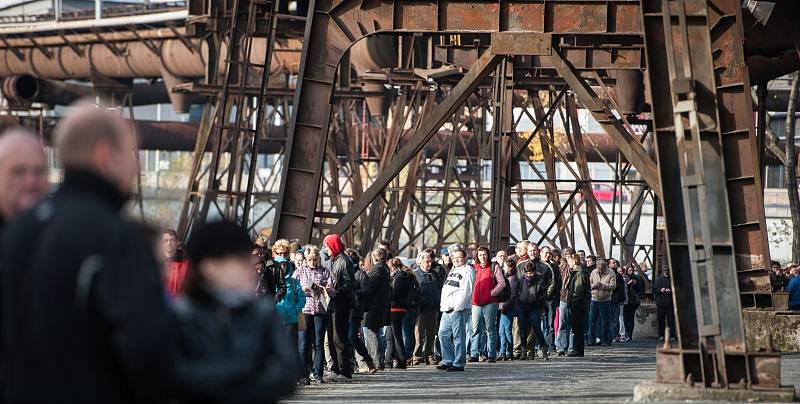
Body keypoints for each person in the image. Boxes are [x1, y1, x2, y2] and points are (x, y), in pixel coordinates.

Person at [2, 105, 174, 402]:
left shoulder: (18, 232)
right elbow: (147, 349)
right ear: (106, 154)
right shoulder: (116, 236)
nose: (137, 167)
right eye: (133, 153)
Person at [171, 220, 298, 403]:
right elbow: (171, 372)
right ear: (210, 267)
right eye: (240, 260)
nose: (251, 266)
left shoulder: (262, 312)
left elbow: (288, 372)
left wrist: (241, 388)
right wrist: (242, 373)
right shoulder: (181, 315)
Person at [295, 245, 334, 384]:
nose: (312, 262)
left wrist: (320, 288)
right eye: (310, 259)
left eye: (315, 259)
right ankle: (303, 373)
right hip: (304, 310)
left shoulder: (325, 271)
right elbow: (293, 288)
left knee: (318, 343)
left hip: (320, 310)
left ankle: (318, 373)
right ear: (306, 258)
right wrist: (303, 290)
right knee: (303, 343)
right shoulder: (299, 272)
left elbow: (331, 289)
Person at [321, 234, 357, 382]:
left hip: (341, 304)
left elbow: (350, 283)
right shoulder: (332, 260)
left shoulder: (344, 261)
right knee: (331, 337)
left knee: (339, 337)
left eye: (327, 246)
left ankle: (345, 370)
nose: (325, 249)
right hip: (332, 303)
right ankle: (335, 369)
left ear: (334, 246)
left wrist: (336, 292)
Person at [270, 239, 306, 384]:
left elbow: (302, 299)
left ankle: (299, 375)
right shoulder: (270, 278)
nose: (283, 257)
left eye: (285, 254)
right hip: (275, 318)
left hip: (290, 319)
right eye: (280, 254)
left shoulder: (293, 281)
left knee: (293, 348)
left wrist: (295, 310)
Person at [436, 244, 475, 372]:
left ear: (465, 257)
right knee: (442, 334)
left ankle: (459, 363)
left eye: (459, 257)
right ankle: (448, 359)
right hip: (446, 309)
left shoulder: (468, 270)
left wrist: (458, 307)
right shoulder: (453, 270)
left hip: (456, 309)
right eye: (454, 258)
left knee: (458, 337)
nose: (457, 260)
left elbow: (466, 291)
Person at [469, 246, 505, 363]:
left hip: (490, 302)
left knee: (490, 328)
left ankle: (491, 354)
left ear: (488, 255)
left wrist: (491, 293)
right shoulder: (474, 268)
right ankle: (474, 353)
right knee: (475, 329)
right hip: (475, 303)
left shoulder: (494, 267)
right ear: (477, 257)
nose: (482, 257)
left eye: (484, 254)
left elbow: (501, 283)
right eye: (480, 255)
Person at [345, 249, 377, 374]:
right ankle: (349, 364)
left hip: (356, 311)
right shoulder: (347, 274)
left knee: (352, 337)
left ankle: (369, 361)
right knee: (345, 338)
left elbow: (366, 291)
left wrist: (351, 293)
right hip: (345, 310)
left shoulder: (361, 274)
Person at [413, 250, 443, 365]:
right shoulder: (415, 274)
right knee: (419, 335)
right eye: (427, 262)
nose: (429, 264)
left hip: (433, 308)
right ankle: (416, 356)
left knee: (431, 334)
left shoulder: (434, 274)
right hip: (421, 310)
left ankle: (429, 354)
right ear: (420, 262)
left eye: (430, 261)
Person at [363, 248, 391, 370]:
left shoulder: (377, 269)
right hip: (381, 305)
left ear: (374, 258)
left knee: (371, 332)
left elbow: (370, 287)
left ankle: (377, 360)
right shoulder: (385, 268)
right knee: (377, 333)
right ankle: (379, 360)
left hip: (374, 306)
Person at [518, 261, 550, 360]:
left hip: (534, 306)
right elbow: (516, 291)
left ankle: (544, 350)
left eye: (531, 273)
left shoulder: (539, 279)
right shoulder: (521, 279)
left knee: (537, 329)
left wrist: (538, 300)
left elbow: (544, 293)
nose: (529, 275)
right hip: (523, 306)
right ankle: (523, 351)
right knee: (522, 330)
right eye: (527, 273)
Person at [386, 259, 414, 369]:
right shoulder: (402, 276)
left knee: (396, 335)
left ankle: (402, 360)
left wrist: (387, 291)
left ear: (392, 267)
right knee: (390, 336)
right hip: (398, 308)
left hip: (396, 308)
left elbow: (396, 294)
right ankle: (389, 360)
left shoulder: (399, 278)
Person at [565, 253, 589, 357]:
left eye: (569, 260)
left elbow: (579, 291)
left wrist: (572, 301)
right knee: (577, 327)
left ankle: (577, 349)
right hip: (579, 304)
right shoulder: (578, 272)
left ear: (574, 261)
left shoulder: (579, 273)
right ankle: (578, 349)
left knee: (577, 327)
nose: (568, 263)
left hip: (578, 305)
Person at [587, 259, 616, 346]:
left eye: (602, 269)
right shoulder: (593, 272)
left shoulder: (611, 273)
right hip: (594, 298)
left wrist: (604, 286)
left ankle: (606, 340)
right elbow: (589, 284)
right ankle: (591, 340)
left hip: (605, 300)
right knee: (592, 321)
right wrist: (594, 286)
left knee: (605, 321)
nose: (600, 271)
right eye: (598, 269)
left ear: (605, 267)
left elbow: (613, 286)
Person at [540, 246, 561, 352]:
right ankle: (540, 345)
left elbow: (558, 283)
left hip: (550, 299)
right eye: (546, 253)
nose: (548, 255)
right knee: (539, 324)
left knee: (550, 324)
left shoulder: (554, 266)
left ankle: (550, 345)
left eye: (549, 253)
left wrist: (552, 296)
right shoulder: (538, 265)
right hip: (539, 299)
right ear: (541, 253)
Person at [498, 258, 519, 361]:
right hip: (505, 307)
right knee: (502, 331)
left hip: (508, 308)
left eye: (505, 266)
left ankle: (508, 351)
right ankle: (504, 351)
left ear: (510, 267)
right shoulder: (510, 278)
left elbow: (512, 295)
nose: (504, 268)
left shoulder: (513, 279)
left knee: (506, 330)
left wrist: (503, 306)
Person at [555, 247, 575, 355]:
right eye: (566, 256)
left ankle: (571, 347)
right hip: (563, 297)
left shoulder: (577, 268)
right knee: (562, 323)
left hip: (573, 298)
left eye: (570, 255)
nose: (568, 258)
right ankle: (561, 347)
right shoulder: (561, 268)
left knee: (571, 325)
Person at [161, 229, 190, 297]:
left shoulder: (186, 262)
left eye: (172, 240)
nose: (169, 243)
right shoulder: (155, 261)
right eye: (166, 240)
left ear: (177, 242)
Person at [622, 263, 645, 340]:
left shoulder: (637, 278)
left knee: (631, 318)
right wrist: (627, 284)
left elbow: (641, 289)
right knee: (625, 318)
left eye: (632, 270)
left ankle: (630, 334)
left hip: (633, 301)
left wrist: (635, 285)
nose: (631, 272)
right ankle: (626, 333)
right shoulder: (624, 278)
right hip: (626, 301)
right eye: (629, 270)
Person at [653, 268, 676, 340]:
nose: (666, 272)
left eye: (667, 271)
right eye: (665, 271)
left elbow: (677, 289)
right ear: (663, 272)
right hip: (661, 304)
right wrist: (660, 290)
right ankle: (661, 335)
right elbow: (654, 290)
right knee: (661, 320)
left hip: (669, 303)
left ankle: (672, 335)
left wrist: (671, 291)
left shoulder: (672, 280)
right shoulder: (658, 280)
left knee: (671, 321)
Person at [608, 258, 625, 342]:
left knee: (615, 319)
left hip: (616, 300)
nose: (615, 264)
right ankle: (612, 335)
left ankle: (615, 335)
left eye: (615, 262)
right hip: (609, 299)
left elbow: (621, 289)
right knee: (611, 319)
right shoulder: (610, 275)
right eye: (613, 263)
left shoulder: (618, 275)